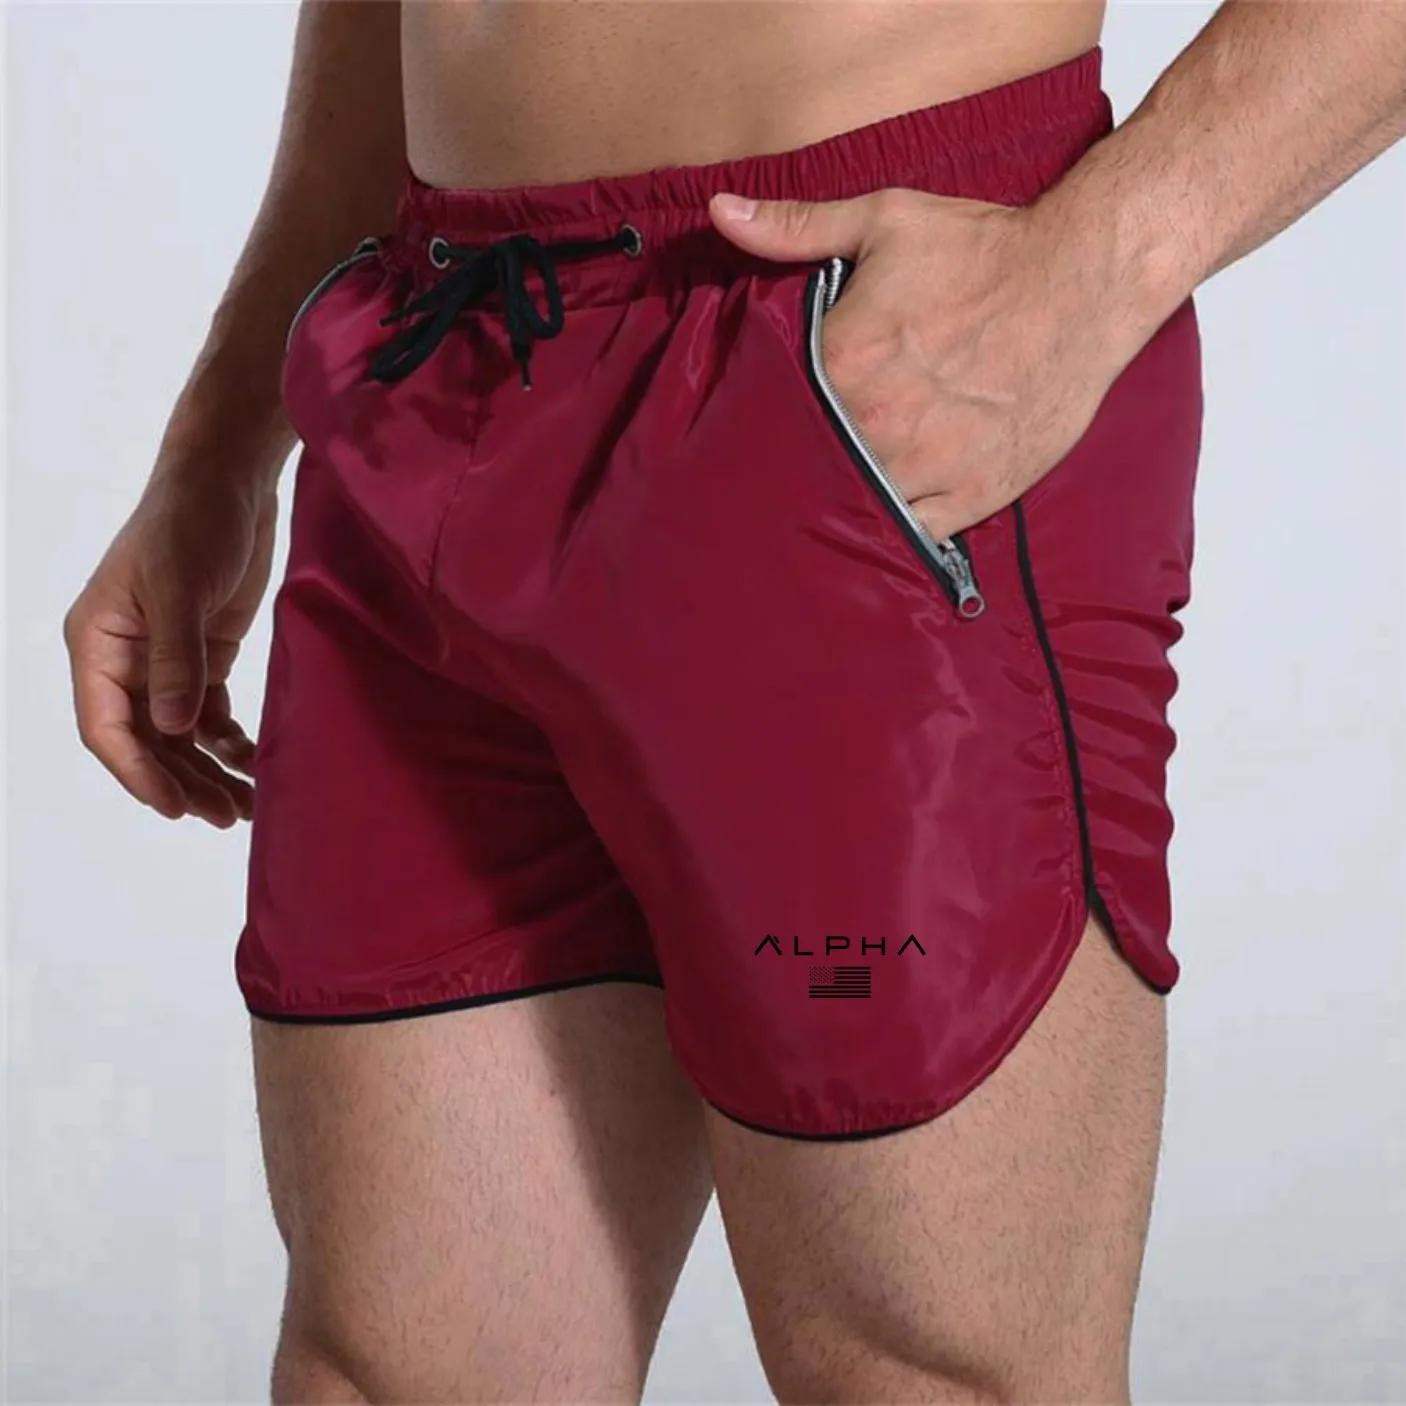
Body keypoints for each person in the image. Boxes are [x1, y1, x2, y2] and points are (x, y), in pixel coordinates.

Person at [62, 1, 1405, 1400]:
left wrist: (1097, 261)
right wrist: (220, 441)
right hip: (438, 360)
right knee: (389, 1371)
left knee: (927, 1368)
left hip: (848, 371)